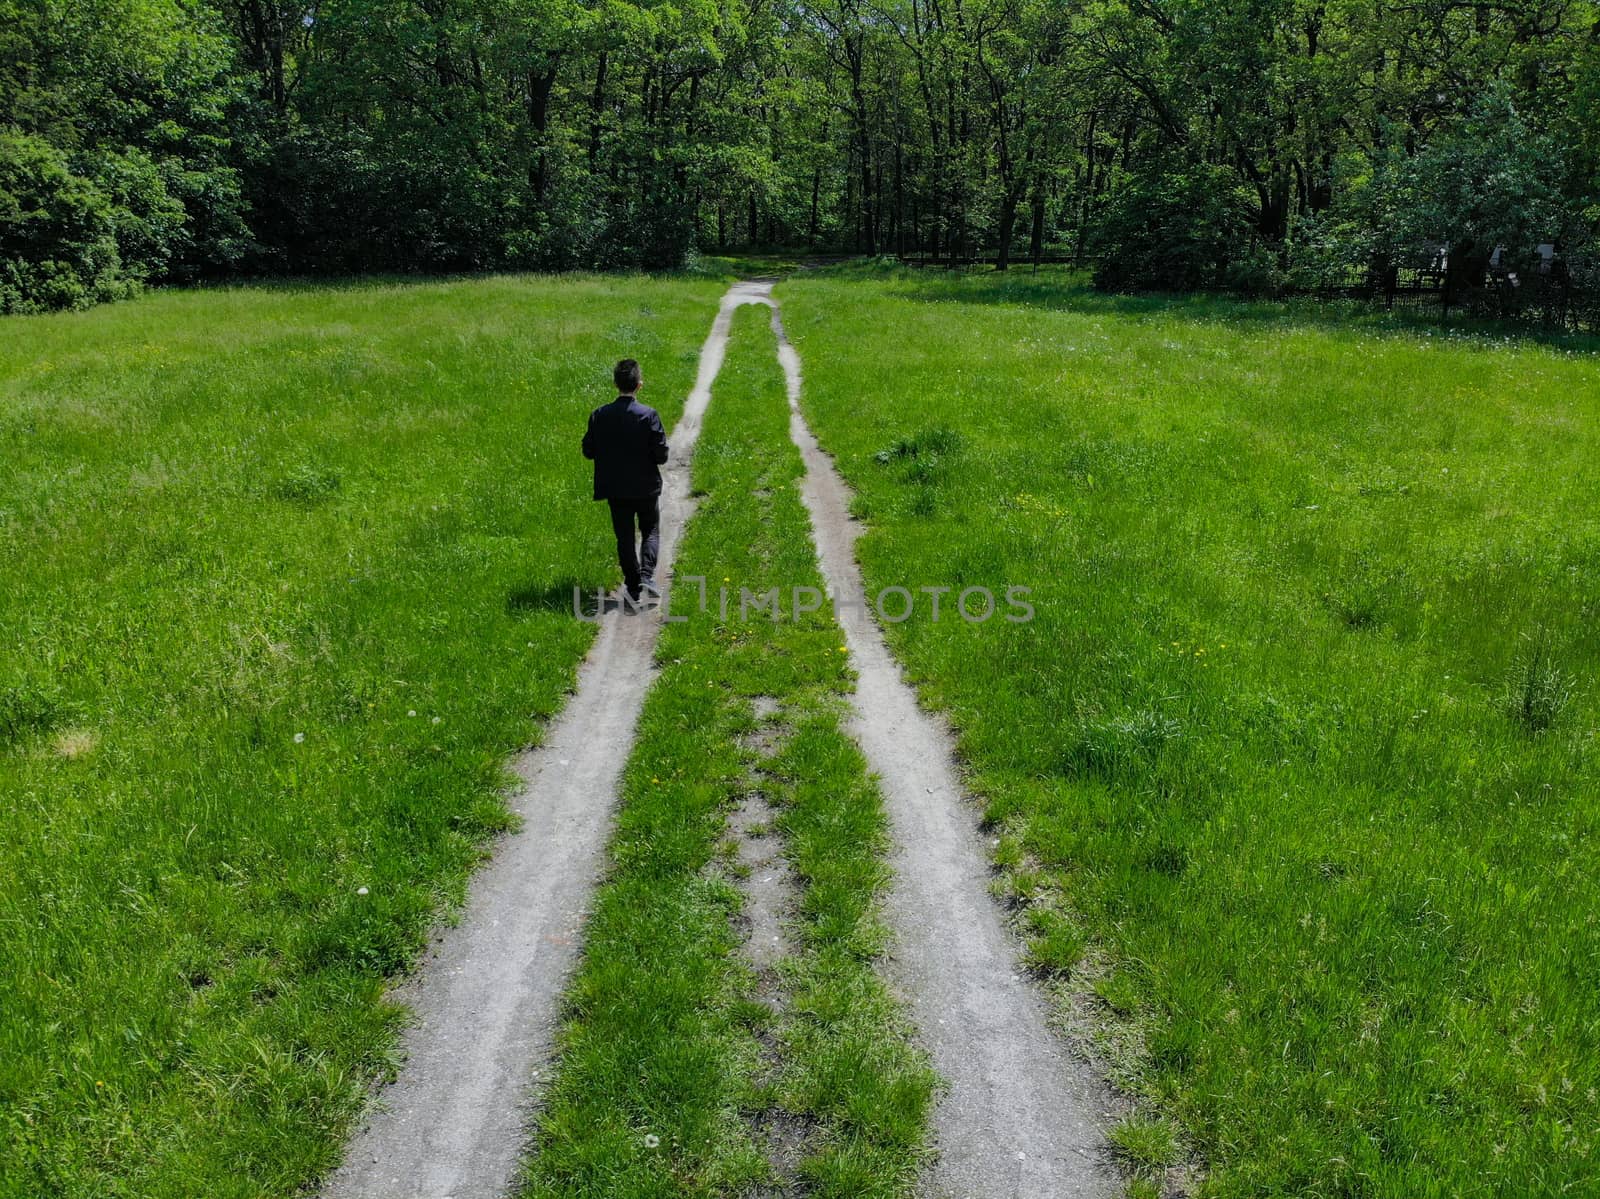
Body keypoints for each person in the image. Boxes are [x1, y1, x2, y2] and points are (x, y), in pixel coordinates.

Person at [582, 358, 668, 605]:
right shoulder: (649, 415)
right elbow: (661, 455)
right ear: (639, 385)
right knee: (650, 528)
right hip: (646, 487)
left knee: (625, 536)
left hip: (615, 488)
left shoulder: (599, 415)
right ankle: (647, 576)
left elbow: (588, 450)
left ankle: (632, 585)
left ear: (615, 383)